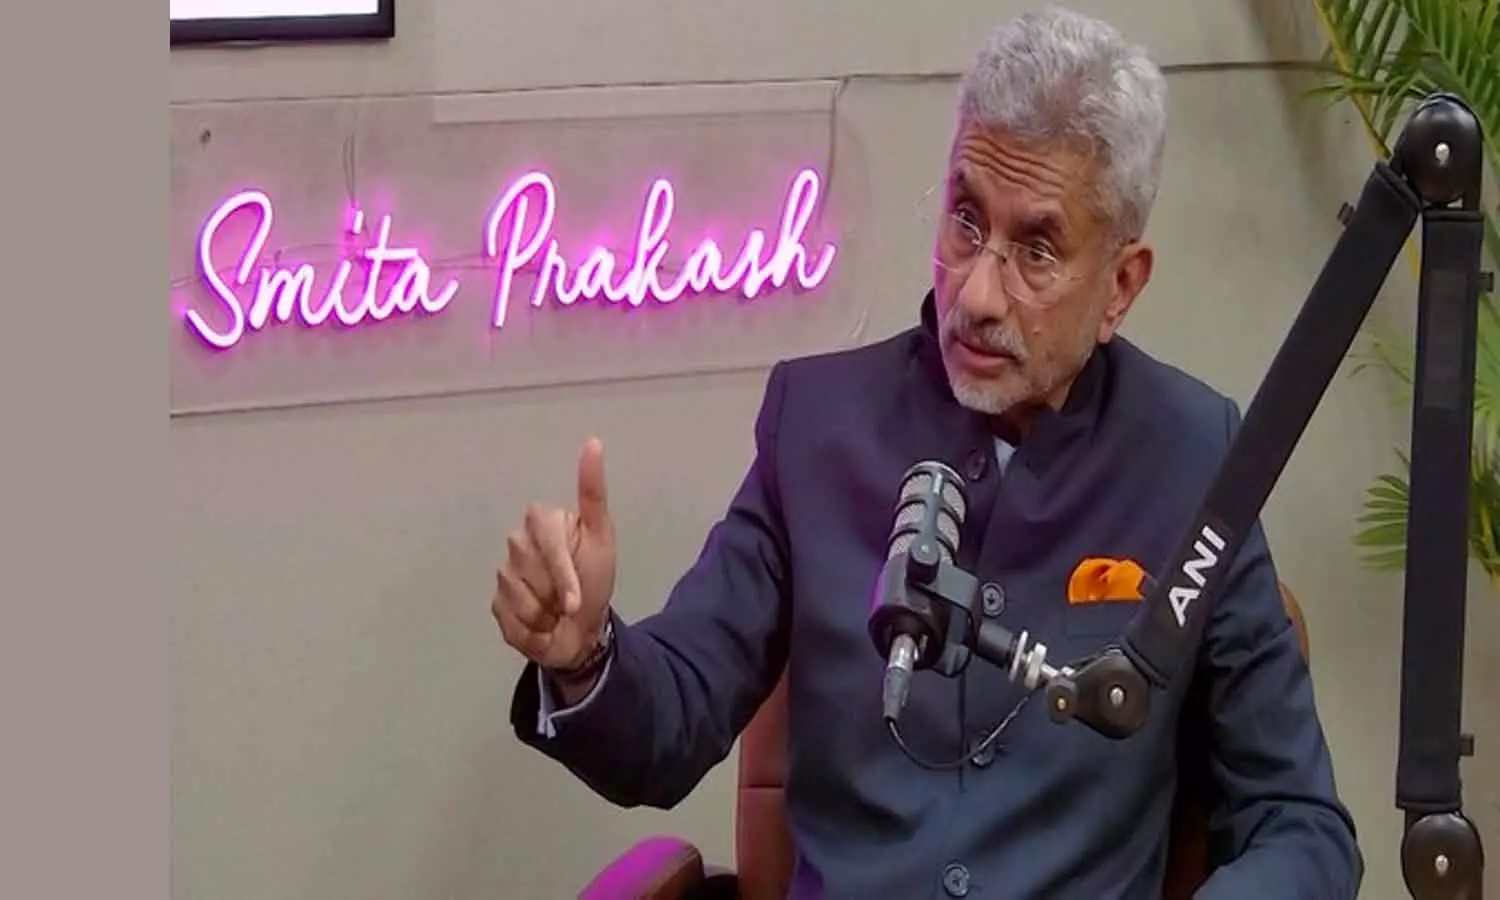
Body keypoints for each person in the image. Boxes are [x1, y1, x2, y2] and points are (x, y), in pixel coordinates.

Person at [492, 7, 1364, 899]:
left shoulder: (1193, 457)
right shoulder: (816, 425)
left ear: (1120, 286)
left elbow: (1302, 826)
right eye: (965, 222)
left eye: (1037, 250)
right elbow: (673, 719)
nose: (977, 294)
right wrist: (584, 654)